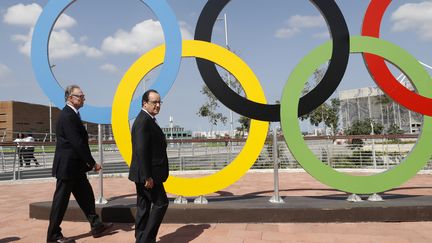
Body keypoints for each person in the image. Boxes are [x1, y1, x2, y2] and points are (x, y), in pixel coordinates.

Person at [47, 85, 112, 243]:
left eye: (83, 96)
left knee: (86, 196)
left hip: (75, 168)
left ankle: (96, 225)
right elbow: (77, 143)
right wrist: (92, 162)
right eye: (80, 96)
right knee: (60, 202)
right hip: (67, 167)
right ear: (70, 98)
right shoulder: (68, 115)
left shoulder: (73, 114)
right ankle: (53, 236)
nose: (83, 98)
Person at [129, 89, 169, 243]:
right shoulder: (144, 121)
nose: (158, 105)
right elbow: (141, 150)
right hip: (148, 175)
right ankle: (147, 239)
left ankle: (140, 238)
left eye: (159, 102)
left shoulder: (147, 119)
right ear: (145, 103)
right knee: (161, 203)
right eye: (154, 102)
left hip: (144, 173)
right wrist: (147, 176)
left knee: (143, 207)